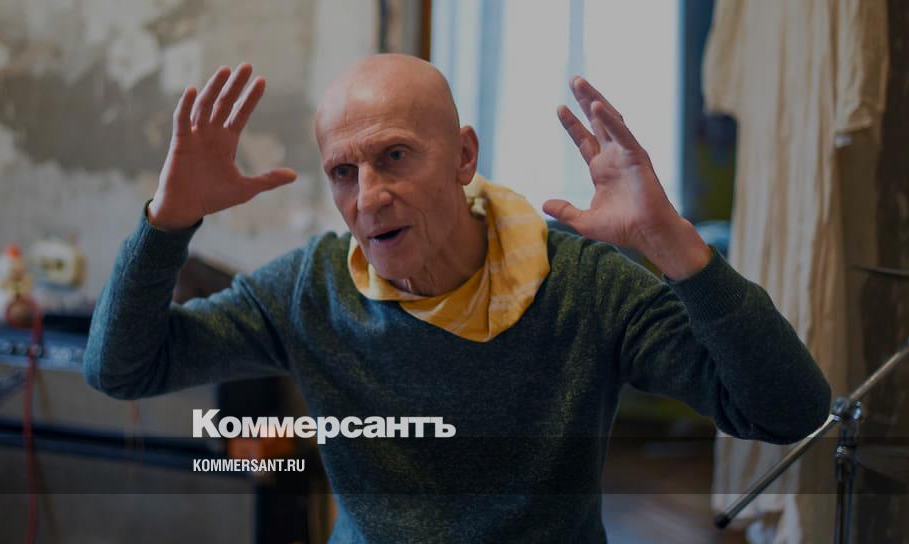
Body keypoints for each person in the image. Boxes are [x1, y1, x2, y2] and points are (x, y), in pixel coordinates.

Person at [84, 54, 831, 543]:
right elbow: (120, 369)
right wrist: (167, 222)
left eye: (395, 156)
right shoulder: (312, 288)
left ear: (464, 155)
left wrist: (672, 244)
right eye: (344, 172)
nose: (369, 197)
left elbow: (787, 410)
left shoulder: (580, 284)